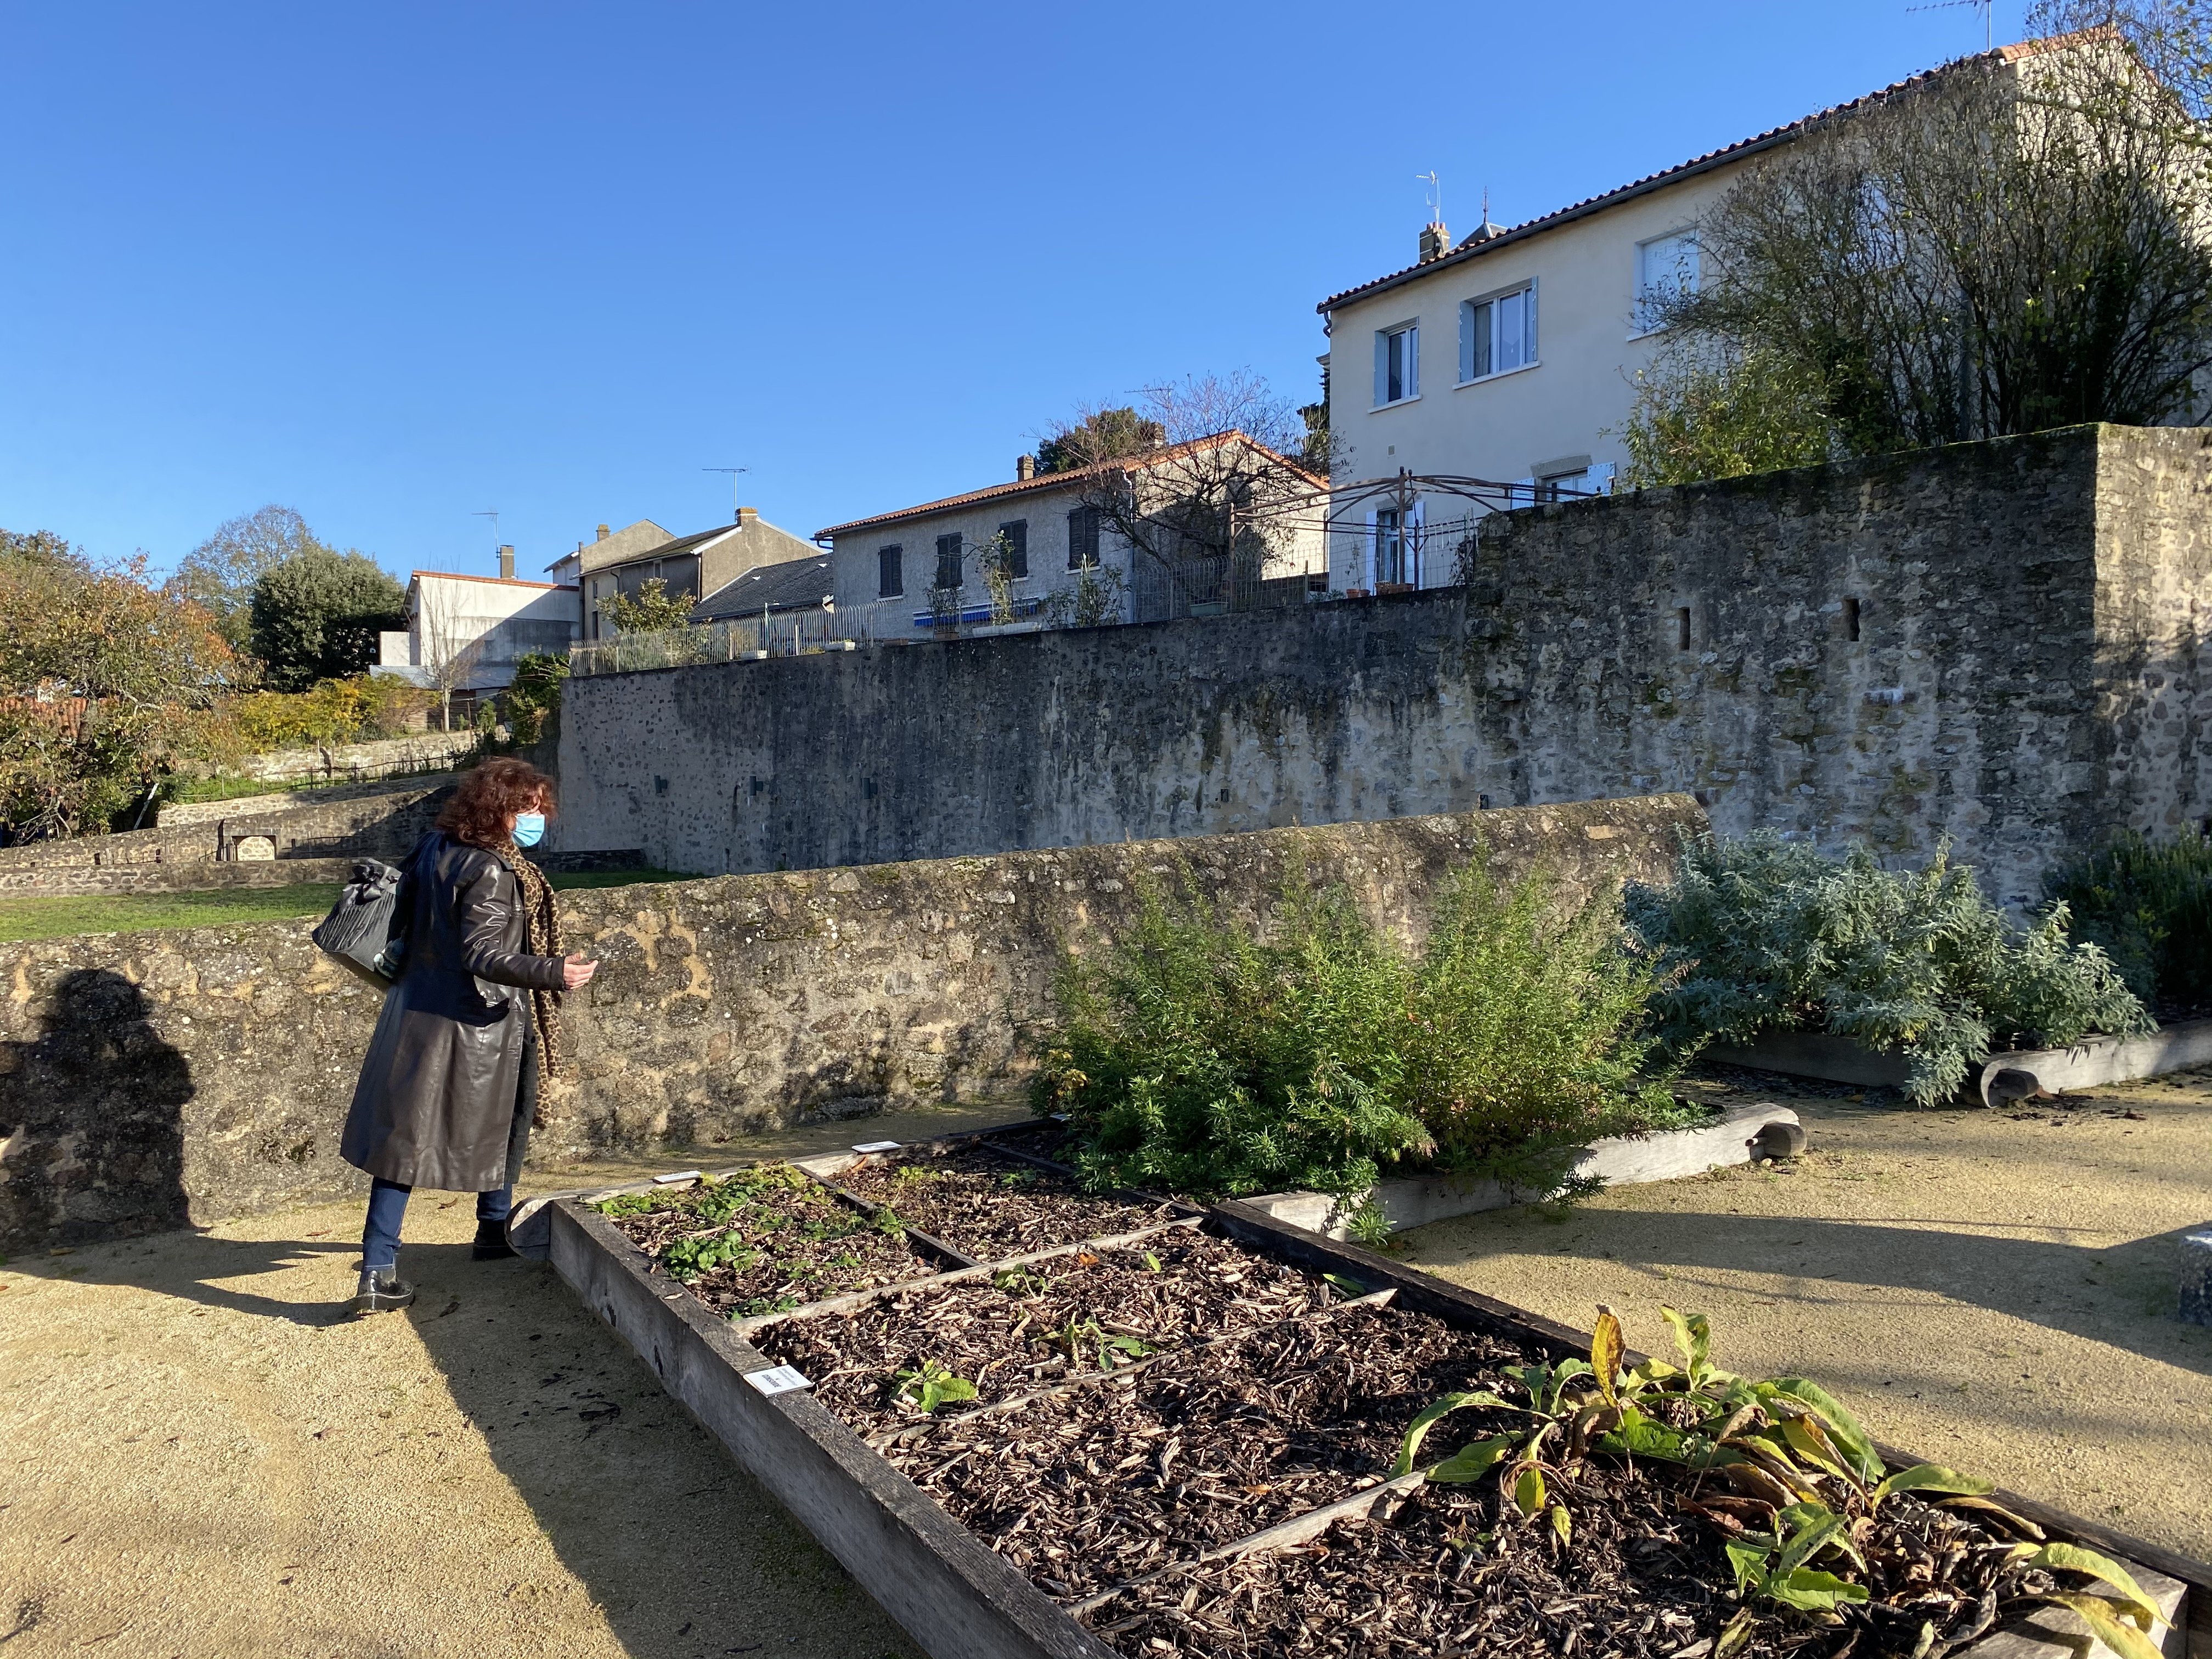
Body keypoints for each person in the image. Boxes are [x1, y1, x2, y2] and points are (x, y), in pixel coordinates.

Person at [338, 757, 598, 1315]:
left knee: (401, 1145)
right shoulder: (490, 869)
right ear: (500, 809)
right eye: (528, 808)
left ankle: (384, 1266)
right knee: (507, 1122)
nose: (537, 819)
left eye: (539, 808)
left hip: (415, 1013)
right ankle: (487, 1234)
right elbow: (482, 954)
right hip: (477, 1025)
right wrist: (556, 972)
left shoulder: (436, 846)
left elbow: (407, 917)